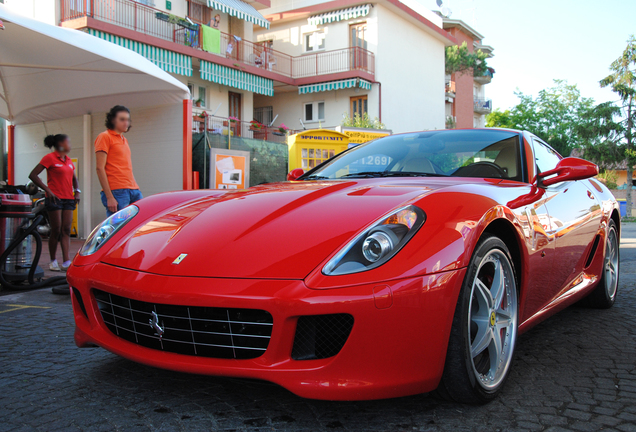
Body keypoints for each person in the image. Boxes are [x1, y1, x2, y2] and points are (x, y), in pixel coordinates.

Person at [29, 134, 81, 271]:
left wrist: (78, 191)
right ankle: (53, 260)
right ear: (60, 144)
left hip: (68, 199)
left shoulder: (69, 160)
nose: (70, 144)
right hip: (54, 198)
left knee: (66, 230)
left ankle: (66, 261)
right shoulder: (49, 158)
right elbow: (33, 175)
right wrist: (48, 190)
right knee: (56, 230)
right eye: (68, 142)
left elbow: (74, 179)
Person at [95, 105, 142, 216]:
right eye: (122, 119)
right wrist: (109, 197)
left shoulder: (124, 139)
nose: (126, 123)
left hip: (133, 189)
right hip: (117, 191)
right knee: (119, 228)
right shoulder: (104, 137)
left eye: (128, 120)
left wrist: (135, 186)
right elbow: (99, 168)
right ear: (112, 120)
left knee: (138, 224)